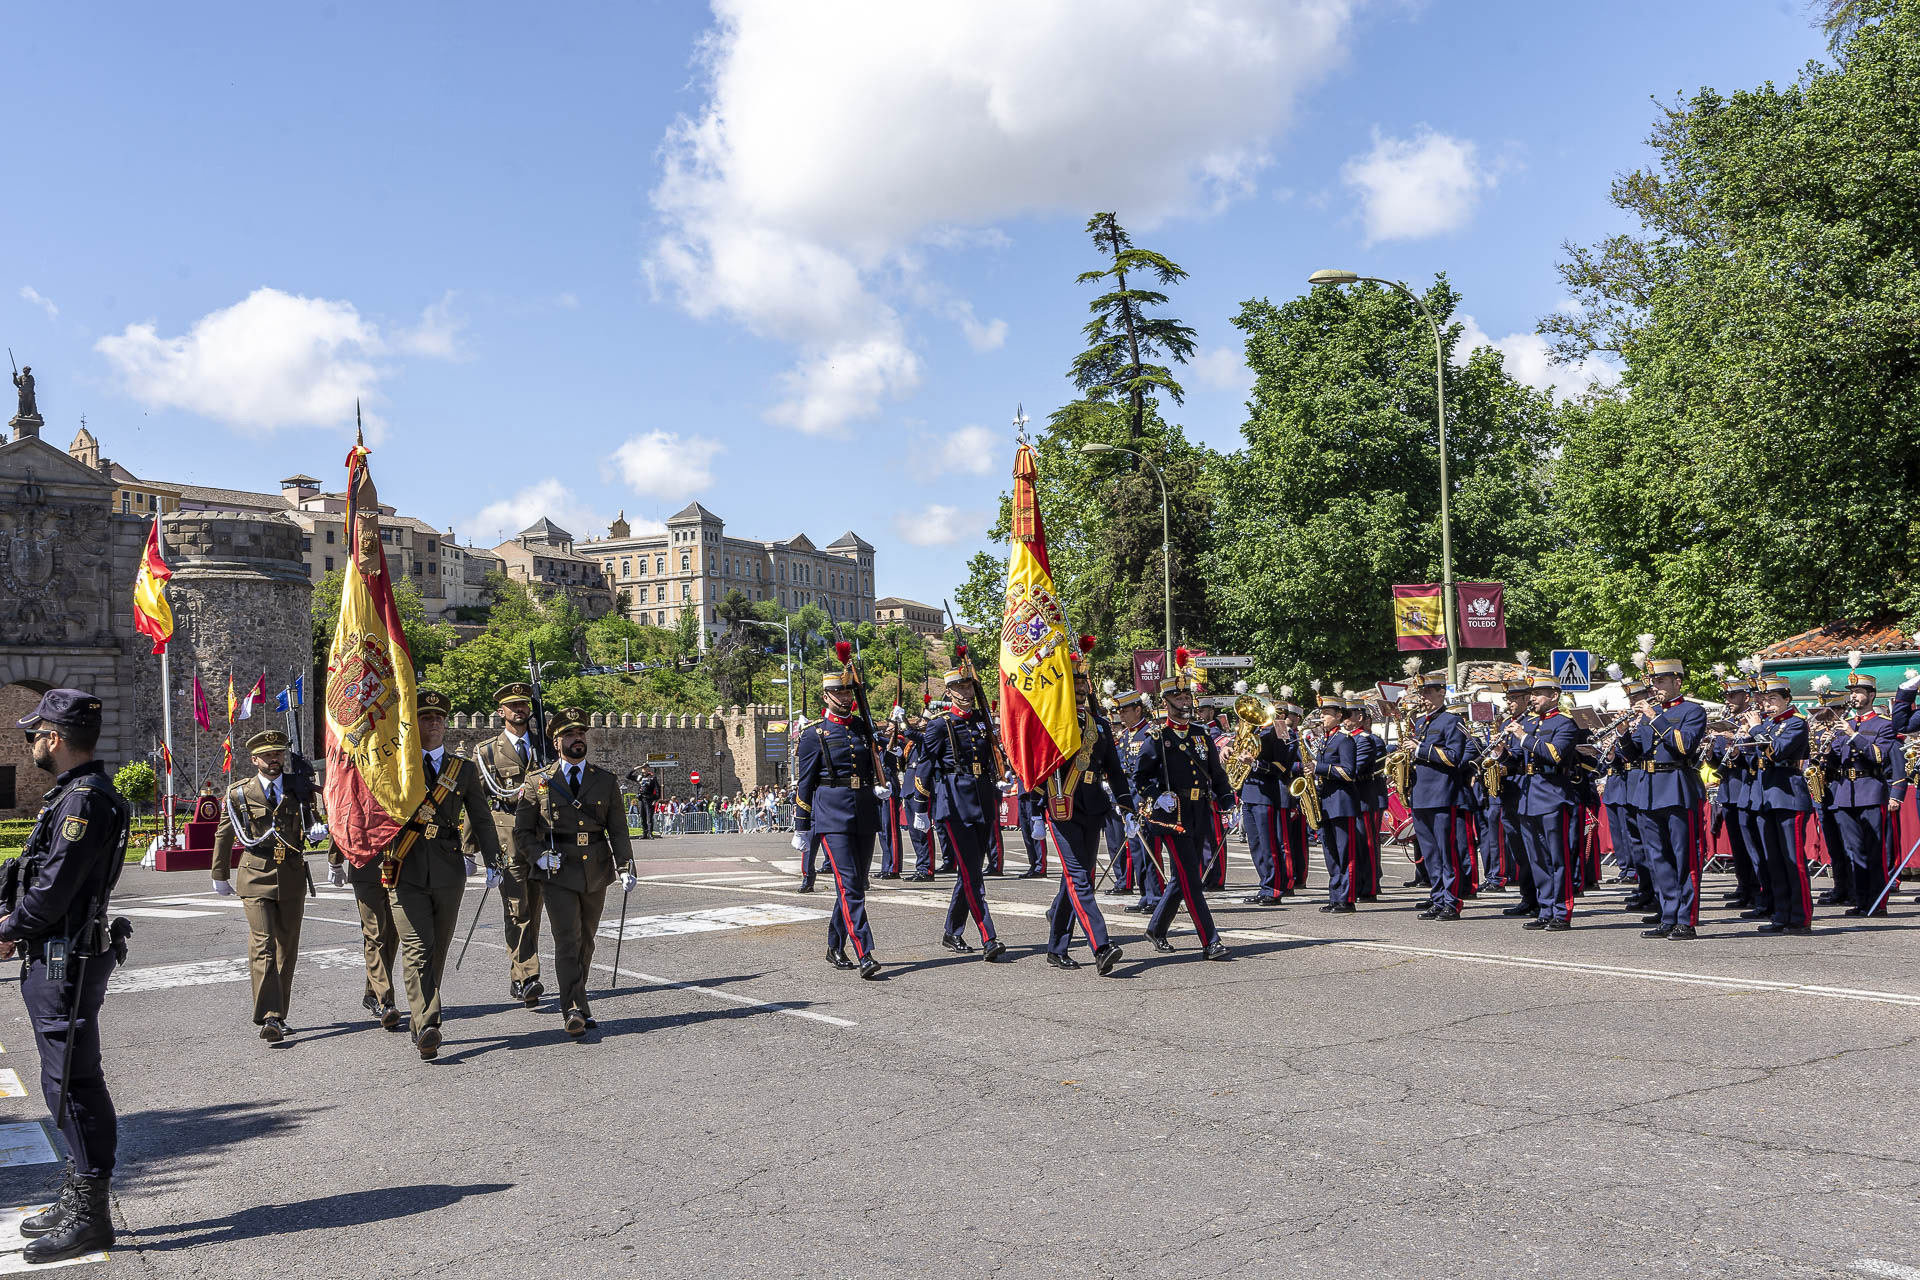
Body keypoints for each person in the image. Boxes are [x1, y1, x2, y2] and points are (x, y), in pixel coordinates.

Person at [1, 690, 128, 1264]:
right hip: (59, 951)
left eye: (34, 735)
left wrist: (10, 929)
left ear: (54, 737)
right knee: (66, 1078)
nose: (31, 745)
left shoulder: (82, 801)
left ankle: (91, 1214)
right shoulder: (76, 796)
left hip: (64, 956)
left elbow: (55, 889)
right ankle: (79, 1190)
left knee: (72, 1083)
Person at [384, 689, 504, 1059]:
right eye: (425, 717)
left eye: (439, 718)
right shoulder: (395, 766)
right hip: (404, 866)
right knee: (418, 947)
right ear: (413, 724)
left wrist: (493, 859)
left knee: (437, 947)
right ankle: (430, 1023)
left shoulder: (462, 769)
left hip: (449, 869)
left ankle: (420, 1017)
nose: (433, 723)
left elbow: (480, 817)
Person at [513, 708, 638, 1035]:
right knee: (567, 940)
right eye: (570, 735)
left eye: (581, 733)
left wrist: (625, 866)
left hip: (595, 870)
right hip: (557, 870)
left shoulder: (604, 781)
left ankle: (578, 1000)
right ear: (557, 742)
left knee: (586, 941)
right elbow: (522, 832)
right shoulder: (538, 782)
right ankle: (574, 1009)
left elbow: (618, 830)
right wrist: (539, 856)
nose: (577, 739)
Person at [211, 728, 315, 1040]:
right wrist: (219, 874)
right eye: (268, 754)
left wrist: (318, 831)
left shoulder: (299, 787)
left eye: (279, 753)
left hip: (292, 873)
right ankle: (270, 1016)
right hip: (255, 873)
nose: (274, 759)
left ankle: (279, 1014)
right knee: (264, 943)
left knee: (287, 949)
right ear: (255, 759)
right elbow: (224, 833)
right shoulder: (240, 793)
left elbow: (312, 820)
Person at [1038, 649, 1130, 974]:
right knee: (1080, 879)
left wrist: (1126, 806)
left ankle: (1056, 947)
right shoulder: (1051, 722)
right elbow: (1034, 766)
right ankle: (1101, 946)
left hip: (1093, 807)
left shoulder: (1100, 725)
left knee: (1078, 879)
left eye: (1083, 683)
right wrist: (1035, 808)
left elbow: (1115, 771)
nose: (1081, 688)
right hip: (1062, 807)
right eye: (1074, 683)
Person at [793, 658, 885, 978]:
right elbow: (805, 783)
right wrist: (802, 825)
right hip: (831, 815)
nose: (845, 698)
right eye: (838, 693)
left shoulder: (861, 726)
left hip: (864, 810)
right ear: (826, 697)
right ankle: (865, 951)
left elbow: (879, 757)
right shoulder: (813, 734)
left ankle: (834, 944)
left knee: (855, 884)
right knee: (849, 886)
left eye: (848, 692)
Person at [1135, 668, 1234, 960]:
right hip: (1172, 817)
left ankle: (1156, 928)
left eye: (1187, 695)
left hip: (1200, 811)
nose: (1185, 700)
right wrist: (1156, 795)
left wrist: (1229, 801)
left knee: (1183, 876)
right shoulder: (1157, 737)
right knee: (1191, 879)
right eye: (1178, 696)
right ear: (1166, 701)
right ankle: (1210, 940)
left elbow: (1216, 775)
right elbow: (1140, 778)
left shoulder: (1201, 735)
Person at [913, 666, 1009, 961]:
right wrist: (920, 806)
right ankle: (988, 936)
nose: (966, 692)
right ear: (950, 692)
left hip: (981, 797)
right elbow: (925, 765)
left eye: (970, 687)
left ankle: (952, 931)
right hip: (954, 801)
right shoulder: (941, 724)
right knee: (972, 874)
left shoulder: (981, 721)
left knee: (969, 872)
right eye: (961, 688)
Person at [1620, 652, 1708, 940]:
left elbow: (1683, 746)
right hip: (1647, 790)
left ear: (1677, 681)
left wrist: (1655, 718)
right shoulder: (1648, 715)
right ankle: (1668, 915)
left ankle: (1686, 918)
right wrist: (1622, 734)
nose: (1654, 686)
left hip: (1677, 786)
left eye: (1660, 680)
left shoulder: (1692, 711)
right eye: (1652, 681)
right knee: (1657, 859)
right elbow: (1634, 753)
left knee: (1684, 858)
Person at [469, 682, 546, 1009]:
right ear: (501, 712)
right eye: (512, 706)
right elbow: (475, 802)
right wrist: (469, 850)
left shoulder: (545, 747)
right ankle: (529, 976)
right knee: (517, 911)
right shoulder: (486, 752)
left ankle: (519, 976)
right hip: (508, 837)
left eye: (523, 704)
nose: (519, 710)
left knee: (535, 910)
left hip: (541, 840)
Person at [1734, 676, 1813, 933]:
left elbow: (1777, 751)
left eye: (1773, 699)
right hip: (1765, 797)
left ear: (1787, 699)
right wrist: (1737, 746)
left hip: (1788, 796)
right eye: (1766, 700)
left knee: (1793, 861)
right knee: (1773, 861)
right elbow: (1754, 759)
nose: (1768, 705)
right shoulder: (1768, 724)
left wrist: (1756, 729)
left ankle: (1800, 917)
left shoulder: (1796, 723)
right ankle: (1781, 915)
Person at [1508, 674, 1586, 930]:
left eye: (1539, 694)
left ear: (1554, 695)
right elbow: (1518, 760)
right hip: (1528, 796)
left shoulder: (1566, 724)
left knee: (1557, 857)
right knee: (1537, 858)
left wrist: (1524, 737)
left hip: (1553, 795)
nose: (1533, 699)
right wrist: (1501, 754)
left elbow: (1554, 754)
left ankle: (1561, 911)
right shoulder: (1528, 723)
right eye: (1532, 694)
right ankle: (1545, 908)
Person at [1829, 671, 1906, 917]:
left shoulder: (1884, 725)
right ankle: (1860, 900)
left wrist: (1853, 736)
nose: (1854, 696)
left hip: (1871, 791)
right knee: (1853, 851)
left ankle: (1877, 903)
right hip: (1844, 793)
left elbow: (1879, 756)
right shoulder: (1846, 723)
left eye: (1859, 692)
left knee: (1875, 851)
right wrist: (1825, 747)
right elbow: (1835, 761)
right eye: (1852, 692)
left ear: (1871, 695)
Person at [1405, 672, 1476, 921]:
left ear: (1441, 693)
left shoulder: (1451, 721)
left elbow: (1454, 757)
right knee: (1431, 853)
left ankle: (1452, 900)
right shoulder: (1421, 723)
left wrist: (1420, 749)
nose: (1422, 698)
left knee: (1447, 853)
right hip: (1421, 795)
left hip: (1443, 795)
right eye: (1421, 693)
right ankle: (1437, 898)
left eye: (1427, 693)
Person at [326, 825, 401, 1032]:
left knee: (393, 934)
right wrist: (335, 860)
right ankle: (386, 1002)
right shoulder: (358, 790)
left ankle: (371, 993)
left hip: (399, 862)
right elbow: (341, 815)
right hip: (366, 864)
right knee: (375, 933)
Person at [1236, 695, 1295, 907]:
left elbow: (1282, 766)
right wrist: (1228, 752)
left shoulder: (1279, 729)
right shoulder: (1251, 730)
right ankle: (1265, 884)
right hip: (1249, 792)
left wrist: (1255, 763)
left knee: (1269, 844)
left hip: (1266, 793)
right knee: (1255, 845)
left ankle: (1274, 887)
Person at [1111, 690, 1166, 915]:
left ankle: (1156, 895)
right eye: (1120, 711)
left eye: (1125, 711)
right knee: (1136, 849)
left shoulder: (1151, 733)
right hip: (1130, 800)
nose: (1121, 715)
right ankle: (1145, 894)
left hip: (1147, 798)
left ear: (1137, 709)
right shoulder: (1125, 736)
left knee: (1150, 848)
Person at [1310, 692, 1361, 913]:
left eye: (1327, 713)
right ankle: (1335, 896)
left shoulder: (1344, 740)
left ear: (1339, 715)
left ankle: (1347, 898)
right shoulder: (1325, 740)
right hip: (1326, 802)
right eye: (1322, 713)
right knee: (1330, 854)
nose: (1322, 717)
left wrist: (1318, 768)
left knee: (1345, 853)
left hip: (1342, 803)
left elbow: (1350, 772)